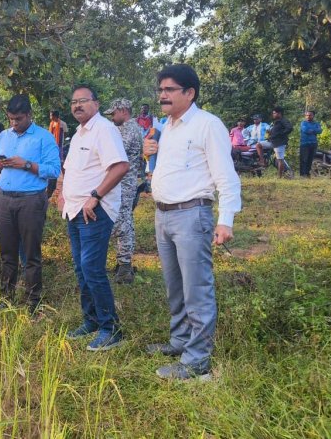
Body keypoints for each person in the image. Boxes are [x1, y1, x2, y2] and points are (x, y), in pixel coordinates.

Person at [143, 64, 241, 380]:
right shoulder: (166, 126)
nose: (162, 96)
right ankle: (180, 341)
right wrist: (148, 155)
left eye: (169, 90)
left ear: (190, 93)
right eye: (161, 90)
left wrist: (225, 220)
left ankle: (198, 360)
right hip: (163, 215)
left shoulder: (207, 125)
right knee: (174, 286)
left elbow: (226, 176)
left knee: (196, 288)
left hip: (192, 215)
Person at [61, 85, 129, 351]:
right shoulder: (78, 134)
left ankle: (111, 328)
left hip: (94, 210)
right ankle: (91, 320)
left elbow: (120, 166)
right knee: (81, 268)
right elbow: (71, 170)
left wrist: (96, 196)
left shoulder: (104, 130)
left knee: (92, 267)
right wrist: (61, 193)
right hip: (74, 210)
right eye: (74, 101)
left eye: (83, 101)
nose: (77, 105)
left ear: (96, 104)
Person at [0, 94, 61, 314]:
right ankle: (7, 296)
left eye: (19, 119)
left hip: (31, 200)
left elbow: (53, 169)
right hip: (4, 198)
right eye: (11, 119)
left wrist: (26, 164)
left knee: (31, 253)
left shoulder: (44, 137)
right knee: (7, 252)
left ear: (29, 115)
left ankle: (33, 299)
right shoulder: (3, 135)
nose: (14, 123)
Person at [103, 98, 143, 284]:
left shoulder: (129, 130)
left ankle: (125, 266)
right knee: (125, 221)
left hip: (124, 185)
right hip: (122, 184)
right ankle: (123, 262)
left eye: (114, 114)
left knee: (122, 224)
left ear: (123, 110)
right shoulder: (125, 129)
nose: (112, 118)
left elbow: (115, 152)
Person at [255, 107, 293, 178]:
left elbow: (289, 128)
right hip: (272, 141)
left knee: (280, 160)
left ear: (279, 113)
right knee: (258, 145)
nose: (273, 114)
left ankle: (279, 177)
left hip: (279, 143)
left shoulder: (283, 120)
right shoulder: (275, 121)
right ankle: (262, 161)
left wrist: (280, 134)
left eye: (274, 113)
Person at [47, 110, 68, 196]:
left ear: (55, 116)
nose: (50, 116)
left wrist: (61, 143)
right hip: (52, 146)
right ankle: (53, 180)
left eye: (51, 115)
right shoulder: (52, 124)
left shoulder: (62, 124)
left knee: (61, 162)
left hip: (59, 146)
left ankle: (65, 178)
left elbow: (65, 134)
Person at [299, 111, 323, 178]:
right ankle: (302, 174)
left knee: (310, 159)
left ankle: (307, 173)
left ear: (313, 116)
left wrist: (312, 130)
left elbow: (320, 131)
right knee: (304, 159)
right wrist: (314, 130)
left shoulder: (316, 123)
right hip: (304, 143)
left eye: (310, 115)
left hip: (313, 143)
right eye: (307, 115)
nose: (308, 116)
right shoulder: (303, 123)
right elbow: (305, 130)